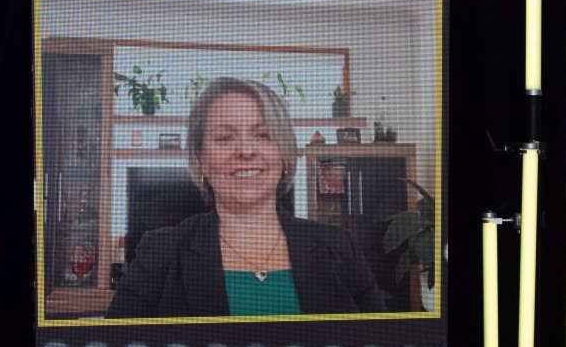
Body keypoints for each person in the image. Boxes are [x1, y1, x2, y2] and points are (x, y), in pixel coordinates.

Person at [105, 77, 388, 318]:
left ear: (283, 153)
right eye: (225, 138)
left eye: (263, 135)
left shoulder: (339, 248)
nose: (246, 151)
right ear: (201, 159)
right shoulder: (159, 253)